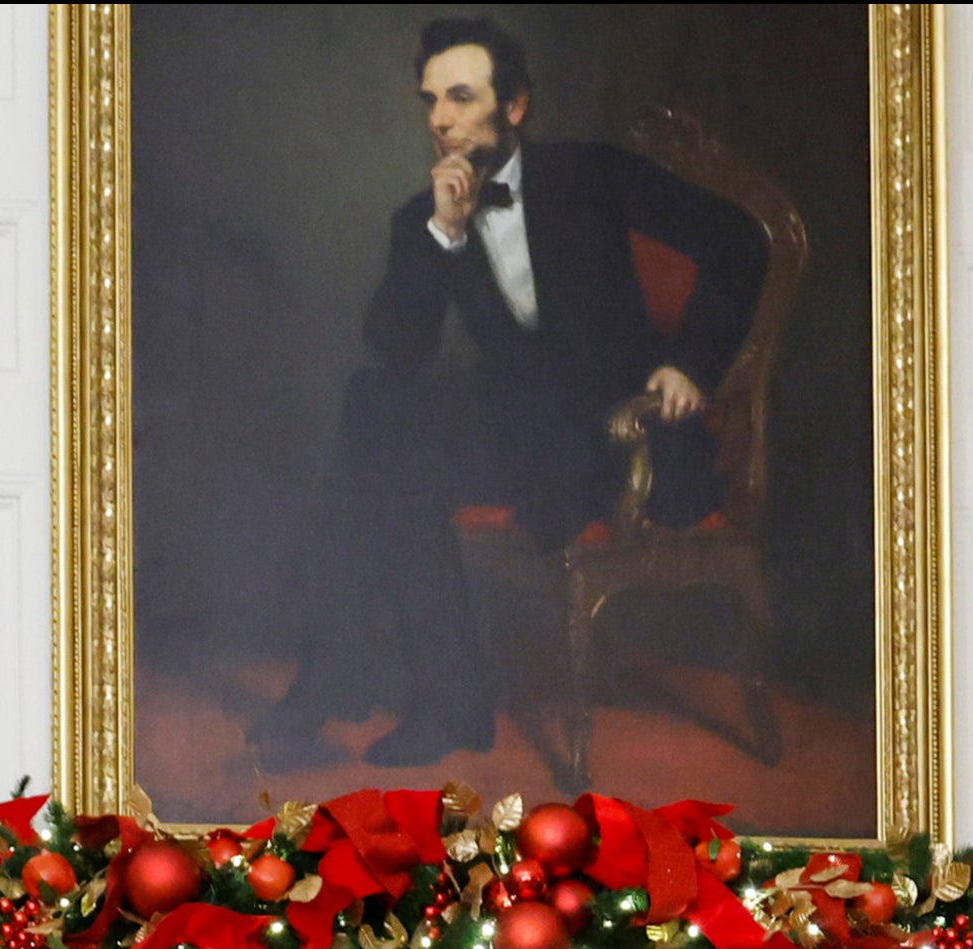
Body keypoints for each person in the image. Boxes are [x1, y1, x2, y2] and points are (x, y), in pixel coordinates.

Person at [253, 15, 770, 768]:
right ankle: (427, 693)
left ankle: (384, 687)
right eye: (431, 101)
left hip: (623, 436)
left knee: (384, 450)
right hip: (528, 436)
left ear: (516, 106)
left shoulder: (591, 173)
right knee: (377, 410)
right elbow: (399, 351)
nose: (441, 120)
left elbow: (738, 242)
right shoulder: (425, 217)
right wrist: (446, 235)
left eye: (461, 97)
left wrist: (689, 363)